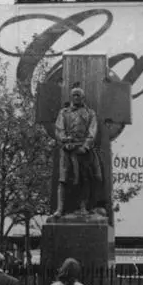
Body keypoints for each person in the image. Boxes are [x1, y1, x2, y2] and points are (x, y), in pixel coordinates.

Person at [53, 85, 101, 217]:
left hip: (82, 150)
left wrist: (85, 146)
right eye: (74, 95)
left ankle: (83, 207)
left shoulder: (90, 113)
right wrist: (65, 140)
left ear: (83, 97)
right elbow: (59, 129)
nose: (76, 97)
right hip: (67, 150)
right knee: (63, 179)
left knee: (84, 179)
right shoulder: (63, 112)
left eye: (78, 95)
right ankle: (60, 209)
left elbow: (92, 131)